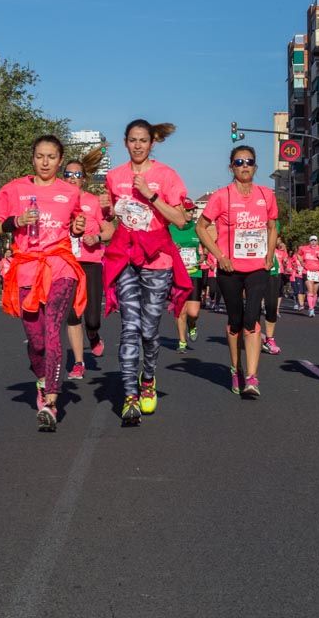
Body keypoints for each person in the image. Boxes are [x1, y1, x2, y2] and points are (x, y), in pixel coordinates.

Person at [0, 135, 88, 432]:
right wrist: (16, 222)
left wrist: (78, 228)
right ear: (32, 158)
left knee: (52, 331)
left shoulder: (69, 192)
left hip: (60, 265)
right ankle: (42, 379)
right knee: (35, 340)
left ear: (60, 161)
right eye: (40, 156)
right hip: (27, 269)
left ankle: (51, 400)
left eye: (51, 157)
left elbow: (77, 224)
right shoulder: (14, 188)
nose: (45, 162)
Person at [103, 120, 192, 426]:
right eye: (132, 140)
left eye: (143, 140)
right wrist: (101, 218)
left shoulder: (166, 175)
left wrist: (151, 196)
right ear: (125, 142)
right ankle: (129, 397)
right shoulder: (114, 177)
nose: (138, 145)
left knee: (149, 330)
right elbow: (110, 225)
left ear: (152, 143)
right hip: (125, 256)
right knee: (129, 326)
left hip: (157, 258)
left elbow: (181, 221)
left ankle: (148, 378)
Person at [197, 146, 278, 397]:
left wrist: (269, 256)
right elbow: (201, 227)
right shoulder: (222, 196)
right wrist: (219, 256)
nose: (244, 166)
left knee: (252, 319)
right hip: (229, 269)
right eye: (239, 162)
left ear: (255, 166)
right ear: (231, 167)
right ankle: (236, 368)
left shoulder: (267, 194)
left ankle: (252, 378)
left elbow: (272, 226)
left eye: (249, 162)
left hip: (257, 268)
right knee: (235, 321)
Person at [64, 150, 113, 372]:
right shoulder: (57, 200)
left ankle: (93, 335)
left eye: (77, 174)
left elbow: (110, 229)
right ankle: (78, 362)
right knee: (73, 315)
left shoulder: (92, 202)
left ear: (84, 179)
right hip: (65, 264)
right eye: (69, 174)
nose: (73, 178)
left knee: (92, 319)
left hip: (91, 263)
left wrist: (98, 237)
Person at [170, 198, 204, 352]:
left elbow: (207, 246)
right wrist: (171, 249)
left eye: (192, 210)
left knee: (193, 312)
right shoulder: (170, 228)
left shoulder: (197, 228)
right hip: (177, 274)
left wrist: (204, 256)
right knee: (180, 310)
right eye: (188, 210)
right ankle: (182, 341)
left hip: (194, 273)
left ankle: (192, 324)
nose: (191, 213)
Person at [262, 236, 289, 354]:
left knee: (271, 306)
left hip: (272, 270)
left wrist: (283, 246)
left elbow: (276, 239)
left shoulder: (272, 221)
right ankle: (252, 334)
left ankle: (269, 339)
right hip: (251, 266)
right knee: (252, 308)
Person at [298, 235, 319, 316]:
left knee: (314, 292)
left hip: (318, 272)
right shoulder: (304, 248)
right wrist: (301, 262)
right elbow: (299, 255)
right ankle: (311, 309)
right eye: (311, 240)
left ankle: (312, 307)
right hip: (307, 271)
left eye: (315, 240)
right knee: (310, 291)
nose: (313, 242)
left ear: (317, 241)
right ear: (309, 241)